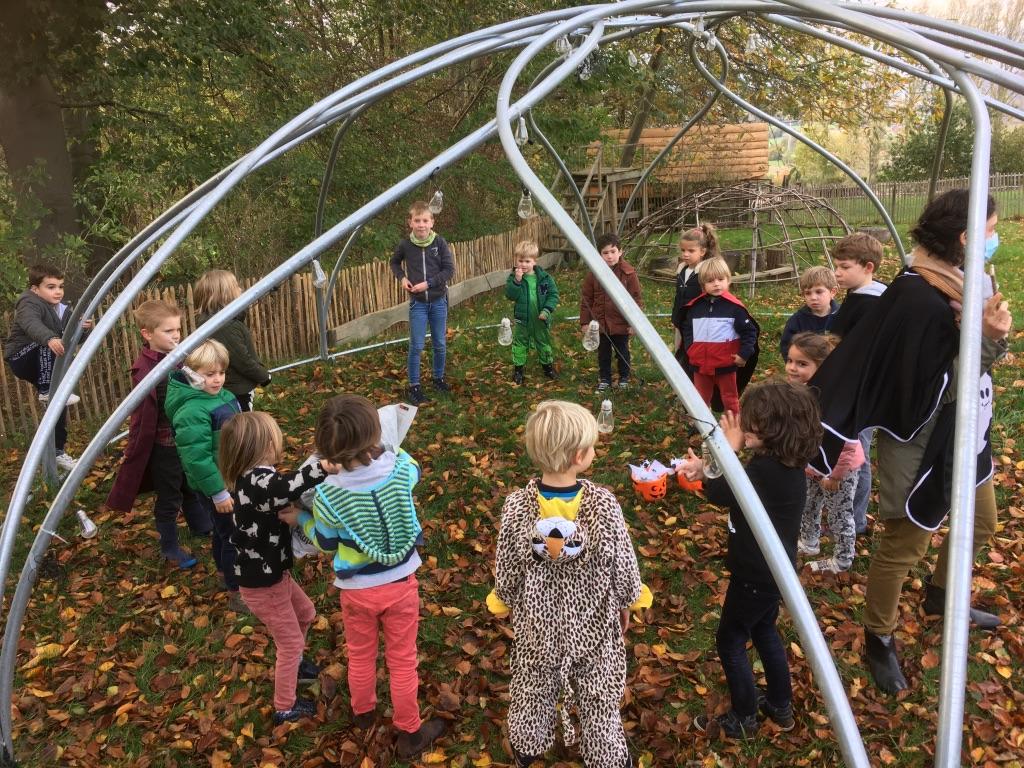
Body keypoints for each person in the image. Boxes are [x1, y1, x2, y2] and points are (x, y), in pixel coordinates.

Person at [809, 190, 1011, 694]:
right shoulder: (919, 297)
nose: (995, 240)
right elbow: (943, 382)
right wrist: (988, 338)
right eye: (989, 232)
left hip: (966, 428)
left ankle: (941, 597)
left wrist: (984, 332)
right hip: (919, 437)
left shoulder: (959, 282)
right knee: (906, 542)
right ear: (965, 237)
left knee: (983, 521)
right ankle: (878, 636)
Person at [488, 400, 651, 767]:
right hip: (593, 624)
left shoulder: (516, 506)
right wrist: (628, 599)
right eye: (592, 447)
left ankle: (527, 746)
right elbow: (622, 560)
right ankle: (607, 756)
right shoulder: (603, 505)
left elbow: (508, 564)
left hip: (537, 627)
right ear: (579, 456)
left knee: (533, 686)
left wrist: (505, 598)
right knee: (599, 695)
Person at [299, 394, 445, 757]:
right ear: (375, 435)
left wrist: (300, 518)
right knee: (402, 660)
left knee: (361, 655)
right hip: (401, 585)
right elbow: (414, 467)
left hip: (356, 591)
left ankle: (363, 713)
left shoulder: (327, 495)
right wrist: (390, 447)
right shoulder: (400, 470)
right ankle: (410, 733)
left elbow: (326, 542)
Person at [677, 381, 822, 739]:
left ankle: (743, 717)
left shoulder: (765, 471)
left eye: (753, 422)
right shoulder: (783, 466)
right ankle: (779, 705)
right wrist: (707, 468)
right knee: (763, 629)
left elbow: (722, 492)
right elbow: (728, 484)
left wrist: (728, 448)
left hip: (754, 576)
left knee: (730, 640)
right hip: (774, 573)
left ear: (776, 429)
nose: (743, 425)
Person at [218, 412, 329, 724]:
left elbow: (281, 488)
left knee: (306, 614)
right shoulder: (257, 481)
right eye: (276, 438)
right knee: (289, 642)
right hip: (262, 584)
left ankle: (296, 663)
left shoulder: (255, 479)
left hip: (273, 575)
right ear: (266, 444)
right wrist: (324, 467)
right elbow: (286, 487)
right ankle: (284, 707)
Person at [104, 300, 212, 568]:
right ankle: (170, 547)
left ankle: (200, 524)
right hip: (165, 445)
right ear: (147, 334)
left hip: (185, 437)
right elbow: (147, 412)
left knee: (190, 483)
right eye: (168, 331)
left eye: (178, 329)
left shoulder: (178, 358)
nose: (176, 335)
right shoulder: (146, 370)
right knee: (170, 495)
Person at [164, 339, 244, 612]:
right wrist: (218, 492)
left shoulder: (223, 396)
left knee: (223, 531)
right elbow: (196, 458)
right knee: (233, 535)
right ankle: (237, 590)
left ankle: (224, 573)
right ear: (191, 373)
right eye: (210, 374)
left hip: (230, 475)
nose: (217, 379)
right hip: (215, 484)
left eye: (221, 372)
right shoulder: (191, 411)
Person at [785, 333, 864, 574]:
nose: (792, 368)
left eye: (802, 364)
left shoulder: (834, 400)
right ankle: (809, 542)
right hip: (812, 465)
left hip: (839, 470)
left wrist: (836, 475)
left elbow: (847, 443)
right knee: (809, 504)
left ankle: (842, 559)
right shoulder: (800, 392)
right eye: (790, 360)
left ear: (823, 368)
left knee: (839, 514)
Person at [3, 264, 92, 471]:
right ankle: (45, 390)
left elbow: (71, 340)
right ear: (35, 289)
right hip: (23, 356)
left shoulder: (63, 310)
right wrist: (49, 337)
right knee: (48, 344)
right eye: (51, 287)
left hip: (45, 361)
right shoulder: (28, 303)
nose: (58, 291)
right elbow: (31, 324)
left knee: (58, 401)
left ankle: (58, 451)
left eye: (60, 286)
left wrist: (83, 329)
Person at [830, 232, 887, 535]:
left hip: (860, 391)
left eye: (844, 267)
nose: (837, 273)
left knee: (856, 455)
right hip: (851, 386)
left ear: (868, 267)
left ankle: (856, 520)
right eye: (836, 266)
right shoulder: (860, 295)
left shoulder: (869, 304)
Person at [389, 201, 456, 405]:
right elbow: (394, 262)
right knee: (416, 345)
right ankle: (414, 386)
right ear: (410, 222)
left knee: (440, 343)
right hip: (418, 303)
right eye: (417, 220)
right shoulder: (406, 245)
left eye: (425, 220)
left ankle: (438, 379)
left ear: (432, 222)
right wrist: (402, 278)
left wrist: (428, 284)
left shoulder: (439, 243)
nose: (421, 225)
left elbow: (449, 270)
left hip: (438, 301)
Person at [682, 257, 759, 415]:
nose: (716, 284)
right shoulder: (695, 308)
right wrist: (691, 349)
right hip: (700, 365)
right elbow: (687, 329)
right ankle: (702, 425)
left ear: (728, 280)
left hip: (725, 365)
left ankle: (733, 424)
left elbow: (749, 332)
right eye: (710, 281)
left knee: (730, 398)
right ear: (703, 285)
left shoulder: (735, 308)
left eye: (720, 279)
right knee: (700, 399)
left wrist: (744, 355)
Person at [194, 269, 270, 412]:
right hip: (236, 391)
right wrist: (264, 376)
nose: (241, 289)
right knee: (242, 422)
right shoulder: (224, 326)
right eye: (236, 286)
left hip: (231, 388)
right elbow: (242, 360)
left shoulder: (218, 322)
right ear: (225, 295)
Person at [580, 232, 644, 392]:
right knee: (603, 353)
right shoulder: (593, 274)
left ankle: (624, 378)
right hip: (600, 323)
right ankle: (605, 379)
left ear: (620, 251)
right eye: (605, 253)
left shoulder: (629, 274)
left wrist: (634, 323)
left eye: (613, 251)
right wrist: (585, 322)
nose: (610, 256)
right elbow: (586, 299)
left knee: (622, 352)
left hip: (620, 323)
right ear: (599, 254)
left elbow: (636, 300)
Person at [505, 240, 559, 385]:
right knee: (520, 343)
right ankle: (518, 370)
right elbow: (510, 295)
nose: (523, 264)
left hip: (540, 319)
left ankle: (548, 367)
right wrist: (517, 281)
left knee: (543, 342)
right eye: (520, 261)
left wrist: (547, 310)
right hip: (523, 320)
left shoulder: (544, 278)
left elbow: (553, 295)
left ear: (535, 261)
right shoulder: (514, 278)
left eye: (527, 261)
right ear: (516, 260)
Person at [671, 224, 719, 373]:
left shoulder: (705, 272)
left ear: (702, 251)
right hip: (681, 321)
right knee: (681, 352)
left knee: (694, 354)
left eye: (691, 251)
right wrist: (675, 318)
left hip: (698, 323)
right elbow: (678, 297)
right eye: (683, 250)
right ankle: (682, 380)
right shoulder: (682, 269)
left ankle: (695, 381)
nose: (686, 254)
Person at [778, 266, 839, 360]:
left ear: (833, 292)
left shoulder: (842, 316)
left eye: (819, 292)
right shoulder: (797, 320)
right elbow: (786, 348)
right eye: (808, 293)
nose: (813, 297)